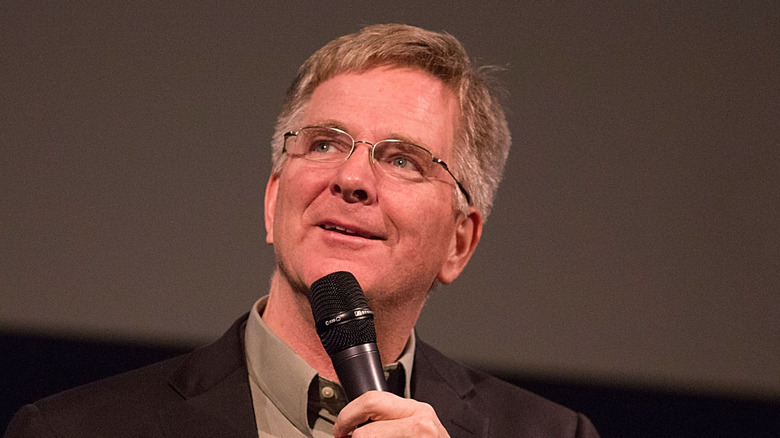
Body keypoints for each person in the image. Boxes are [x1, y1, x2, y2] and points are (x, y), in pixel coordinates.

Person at [5, 24, 599, 437]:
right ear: (273, 202)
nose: (351, 177)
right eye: (324, 144)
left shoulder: (552, 434)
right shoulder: (74, 431)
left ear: (459, 242)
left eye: (402, 160)